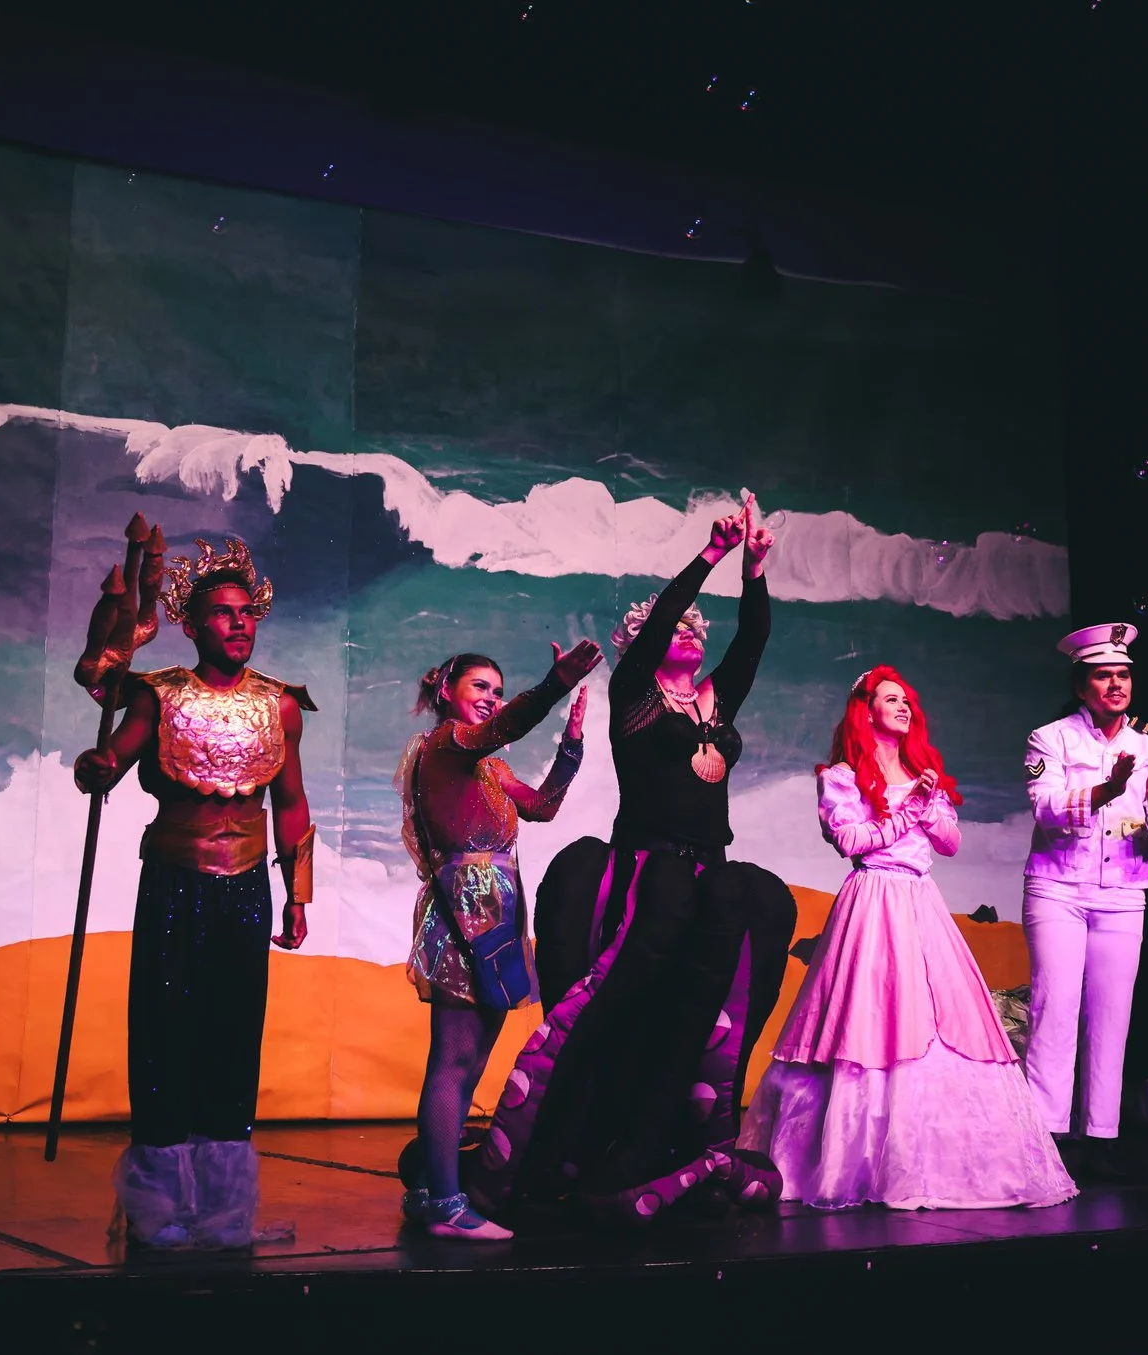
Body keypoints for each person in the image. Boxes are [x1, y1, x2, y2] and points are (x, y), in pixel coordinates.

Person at [468, 494, 799, 1227]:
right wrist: (710, 553)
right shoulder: (635, 697)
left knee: (710, 994)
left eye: (691, 625)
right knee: (617, 998)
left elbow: (751, 642)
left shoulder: (714, 703)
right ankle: (554, 1141)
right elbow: (659, 626)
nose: (684, 629)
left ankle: (665, 1141)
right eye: (668, 625)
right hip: (647, 868)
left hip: (711, 867)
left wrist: (755, 570)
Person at [740, 668, 1077, 1209]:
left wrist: (932, 799)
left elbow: (948, 842)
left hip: (922, 903)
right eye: (890, 699)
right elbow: (853, 840)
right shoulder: (843, 777)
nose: (903, 707)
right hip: (872, 902)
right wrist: (910, 811)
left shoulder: (923, 772)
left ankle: (935, 1160)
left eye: (907, 701)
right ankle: (851, 1162)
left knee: (944, 1023)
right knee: (865, 1024)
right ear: (865, 710)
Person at [70, 529, 317, 1248]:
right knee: (163, 1034)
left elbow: (291, 804)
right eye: (223, 612)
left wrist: (297, 894)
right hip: (176, 884)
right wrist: (96, 763)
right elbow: (113, 755)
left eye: (247, 612)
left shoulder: (282, 707)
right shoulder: (159, 693)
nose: (239, 623)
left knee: (234, 1039)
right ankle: (156, 1206)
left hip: (245, 891)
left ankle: (221, 1207)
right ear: (193, 623)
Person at [396, 644, 599, 1240]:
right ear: (446, 692)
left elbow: (542, 808)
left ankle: (437, 1190)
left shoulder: (487, 763)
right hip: (465, 907)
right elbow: (511, 723)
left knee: (469, 1060)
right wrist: (555, 681)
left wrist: (571, 746)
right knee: (454, 1062)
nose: (489, 697)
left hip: (496, 908)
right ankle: (446, 1208)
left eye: (496, 689)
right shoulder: (448, 745)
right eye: (478, 686)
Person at [1021, 622, 1148, 1172]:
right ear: (1081, 684)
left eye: (1123, 675)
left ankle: (1101, 1135)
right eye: (1102, 675)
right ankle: (1047, 1134)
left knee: (1112, 1013)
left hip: (1124, 892)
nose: (1115, 684)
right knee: (1055, 1006)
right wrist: (1106, 790)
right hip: (1058, 888)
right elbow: (1045, 808)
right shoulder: (1049, 738)